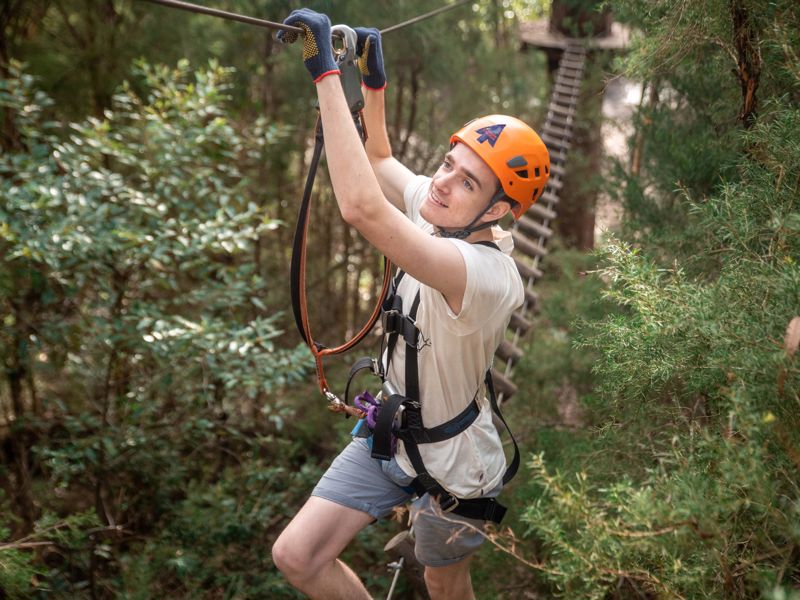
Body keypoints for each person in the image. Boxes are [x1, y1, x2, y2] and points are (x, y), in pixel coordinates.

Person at [271, 9, 550, 600]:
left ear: (497, 211)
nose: (442, 183)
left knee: (444, 586)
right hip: (392, 435)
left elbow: (363, 208)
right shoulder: (450, 211)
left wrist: (326, 74)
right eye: (449, 163)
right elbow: (379, 163)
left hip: (458, 467)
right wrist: (373, 88)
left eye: (466, 181)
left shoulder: (482, 272)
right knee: (296, 556)